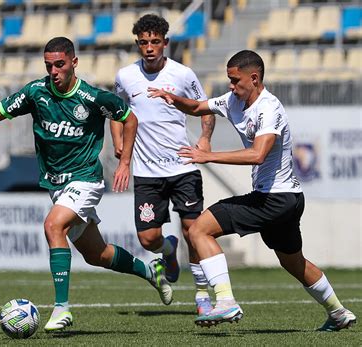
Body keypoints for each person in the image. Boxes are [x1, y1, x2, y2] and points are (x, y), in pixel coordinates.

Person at [0, 37, 173, 332]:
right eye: (49, 65)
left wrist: (125, 161)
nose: (54, 71)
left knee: (53, 226)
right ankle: (150, 270)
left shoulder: (92, 98)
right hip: (57, 185)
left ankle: (62, 308)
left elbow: (129, 119)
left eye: (60, 64)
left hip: (86, 179)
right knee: (97, 254)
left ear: (74, 63)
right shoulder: (35, 92)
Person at [148, 50, 357, 331]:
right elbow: (198, 108)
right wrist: (174, 100)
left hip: (275, 199)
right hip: (287, 199)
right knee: (294, 263)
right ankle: (338, 312)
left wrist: (209, 156)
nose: (231, 87)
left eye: (235, 81)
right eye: (229, 81)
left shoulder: (270, 108)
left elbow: (258, 154)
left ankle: (225, 301)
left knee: (199, 230)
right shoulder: (233, 100)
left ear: (254, 78)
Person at [111, 13, 215, 316]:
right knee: (148, 237)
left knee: (193, 230)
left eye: (155, 42)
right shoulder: (125, 76)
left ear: (165, 43)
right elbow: (116, 112)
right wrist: (118, 141)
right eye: (143, 43)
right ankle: (167, 250)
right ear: (138, 44)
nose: (149, 48)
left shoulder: (183, 75)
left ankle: (201, 297)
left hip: (183, 167)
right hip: (146, 171)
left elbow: (205, 110)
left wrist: (205, 139)